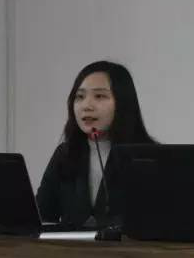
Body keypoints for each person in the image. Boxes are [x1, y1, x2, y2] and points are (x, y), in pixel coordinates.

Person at [37, 60, 156, 229]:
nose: (87, 106)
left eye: (99, 96)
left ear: (123, 103)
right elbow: (41, 216)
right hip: (69, 246)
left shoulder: (149, 158)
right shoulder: (65, 154)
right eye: (80, 97)